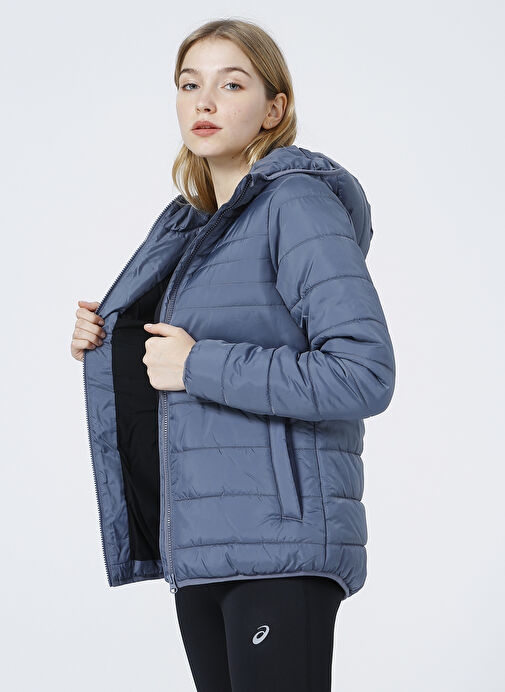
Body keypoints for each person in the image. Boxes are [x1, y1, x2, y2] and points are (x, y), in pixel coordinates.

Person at [71, 18, 395, 692]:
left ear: (274, 108)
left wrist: (198, 366)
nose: (205, 102)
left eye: (232, 84)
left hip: (279, 544)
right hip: (201, 544)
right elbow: (172, 365)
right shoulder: (189, 226)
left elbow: (363, 373)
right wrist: (109, 341)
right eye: (190, 84)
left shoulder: (296, 203)